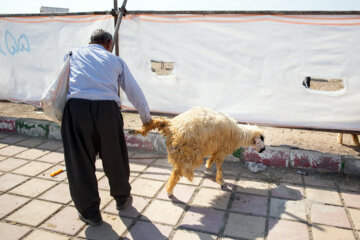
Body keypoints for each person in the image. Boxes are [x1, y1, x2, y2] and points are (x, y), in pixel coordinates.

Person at [61, 29, 151, 226]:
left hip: (77, 109)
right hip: (108, 112)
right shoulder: (115, 61)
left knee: (80, 162)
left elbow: (61, 83)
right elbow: (134, 91)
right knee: (115, 157)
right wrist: (146, 118)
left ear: (90, 42)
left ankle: (90, 213)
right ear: (109, 44)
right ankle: (122, 198)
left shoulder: (73, 54)